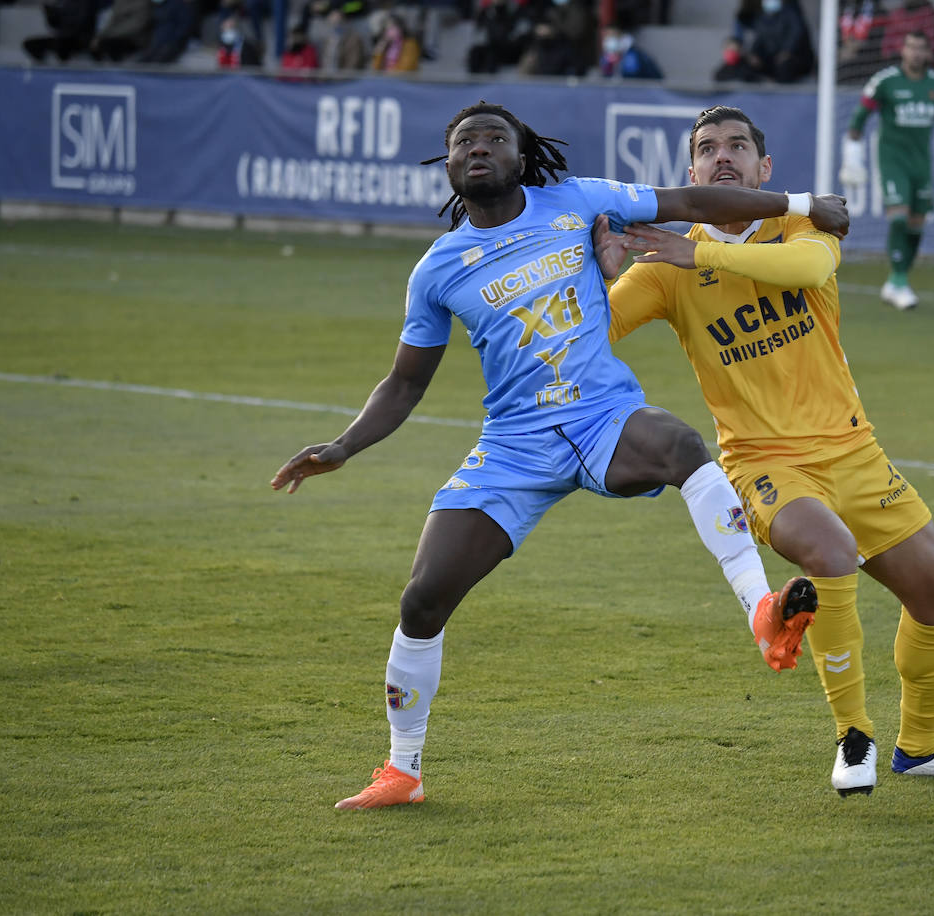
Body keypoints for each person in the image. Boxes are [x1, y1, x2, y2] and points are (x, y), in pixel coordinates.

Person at [270, 101, 850, 810]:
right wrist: (342, 445)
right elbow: (404, 382)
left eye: (494, 138)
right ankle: (403, 770)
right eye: (463, 142)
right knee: (422, 600)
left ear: (522, 157)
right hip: (514, 445)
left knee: (678, 444)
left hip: (604, 418)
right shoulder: (437, 270)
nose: (478, 147)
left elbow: (691, 200)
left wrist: (799, 203)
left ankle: (762, 610)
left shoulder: (576, 201)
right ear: (449, 167)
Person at [599, 105, 934, 796]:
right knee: (830, 551)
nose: (721, 156)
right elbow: (591, 333)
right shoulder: (665, 269)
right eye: (706, 149)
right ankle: (854, 737)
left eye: (736, 146)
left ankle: (922, 746)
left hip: (855, 452)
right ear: (690, 174)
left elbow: (807, 269)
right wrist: (598, 275)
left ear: (765, 170)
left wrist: (696, 251)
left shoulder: (801, 225)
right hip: (764, 463)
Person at [840, 30, 934, 310]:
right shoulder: (885, 82)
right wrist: (852, 156)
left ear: (928, 52)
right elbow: (859, 118)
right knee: (899, 218)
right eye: (911, 47)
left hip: (921, 164)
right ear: (903, 50)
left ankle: (898, 281)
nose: (916, 53)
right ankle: (897, 279)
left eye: (921, 48)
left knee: (917, 225)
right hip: (892, 160)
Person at [745, 0, 815, 84]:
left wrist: (787, 51)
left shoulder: (791, 14)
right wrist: (755, 53)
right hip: (770, 59)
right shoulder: (761, 17)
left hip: (792, 59)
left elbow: (797, 35)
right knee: (748, 67)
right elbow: (759, 39)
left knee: (784, 68)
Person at [23, 0, 102, 62]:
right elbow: (55, 24)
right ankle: (43, 71)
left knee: (62, 44)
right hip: (63, 37)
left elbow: (83, 23)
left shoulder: (87, 3)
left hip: (80, 38)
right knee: (30, 44)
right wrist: (50, 13)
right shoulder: (63, 2)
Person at [598, 21, 663, 80]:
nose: (609, 40)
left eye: (612, 36)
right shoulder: (606, 57)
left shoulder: (634, 55)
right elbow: (606, 76)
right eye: (606, 36)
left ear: (621, 35)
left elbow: (631, 76)